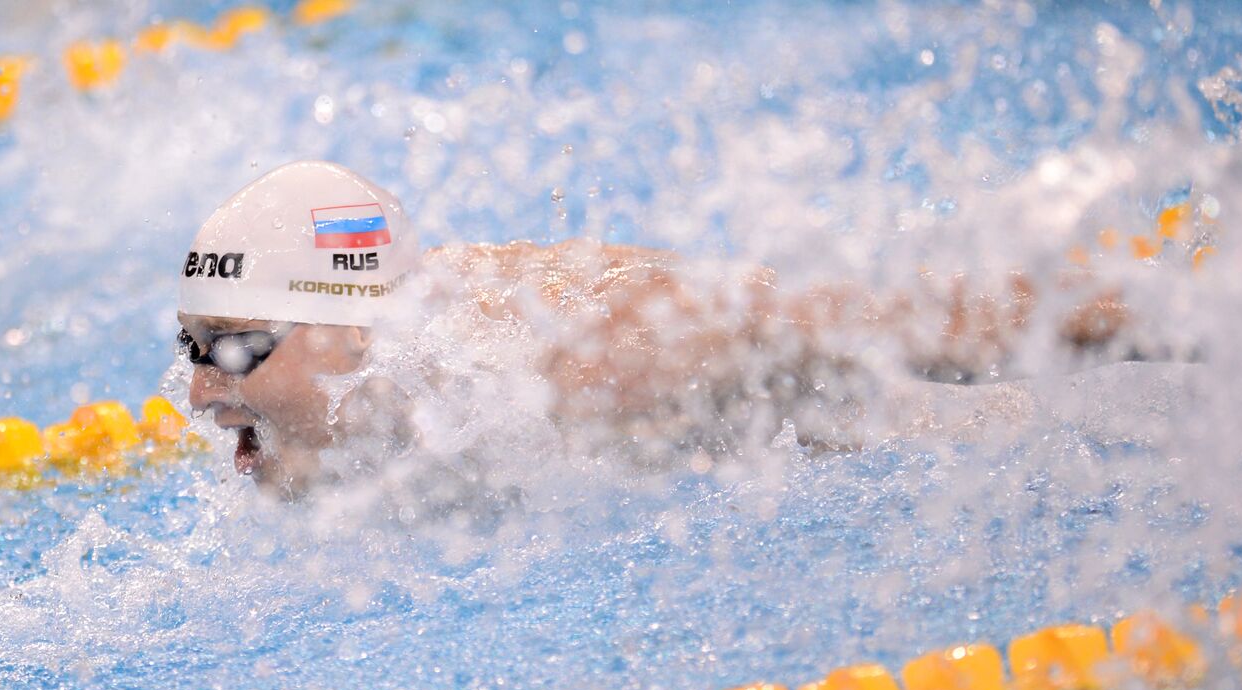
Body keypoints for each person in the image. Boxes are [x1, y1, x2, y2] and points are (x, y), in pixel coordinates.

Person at [179, 161, 1127, 496]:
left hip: (1023, 438)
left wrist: (1206, 323)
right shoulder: (321, 452)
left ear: (358, 334)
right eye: (191, 346)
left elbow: (894, 317)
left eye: (231, 348)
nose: (198, 390)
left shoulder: (577, 362)